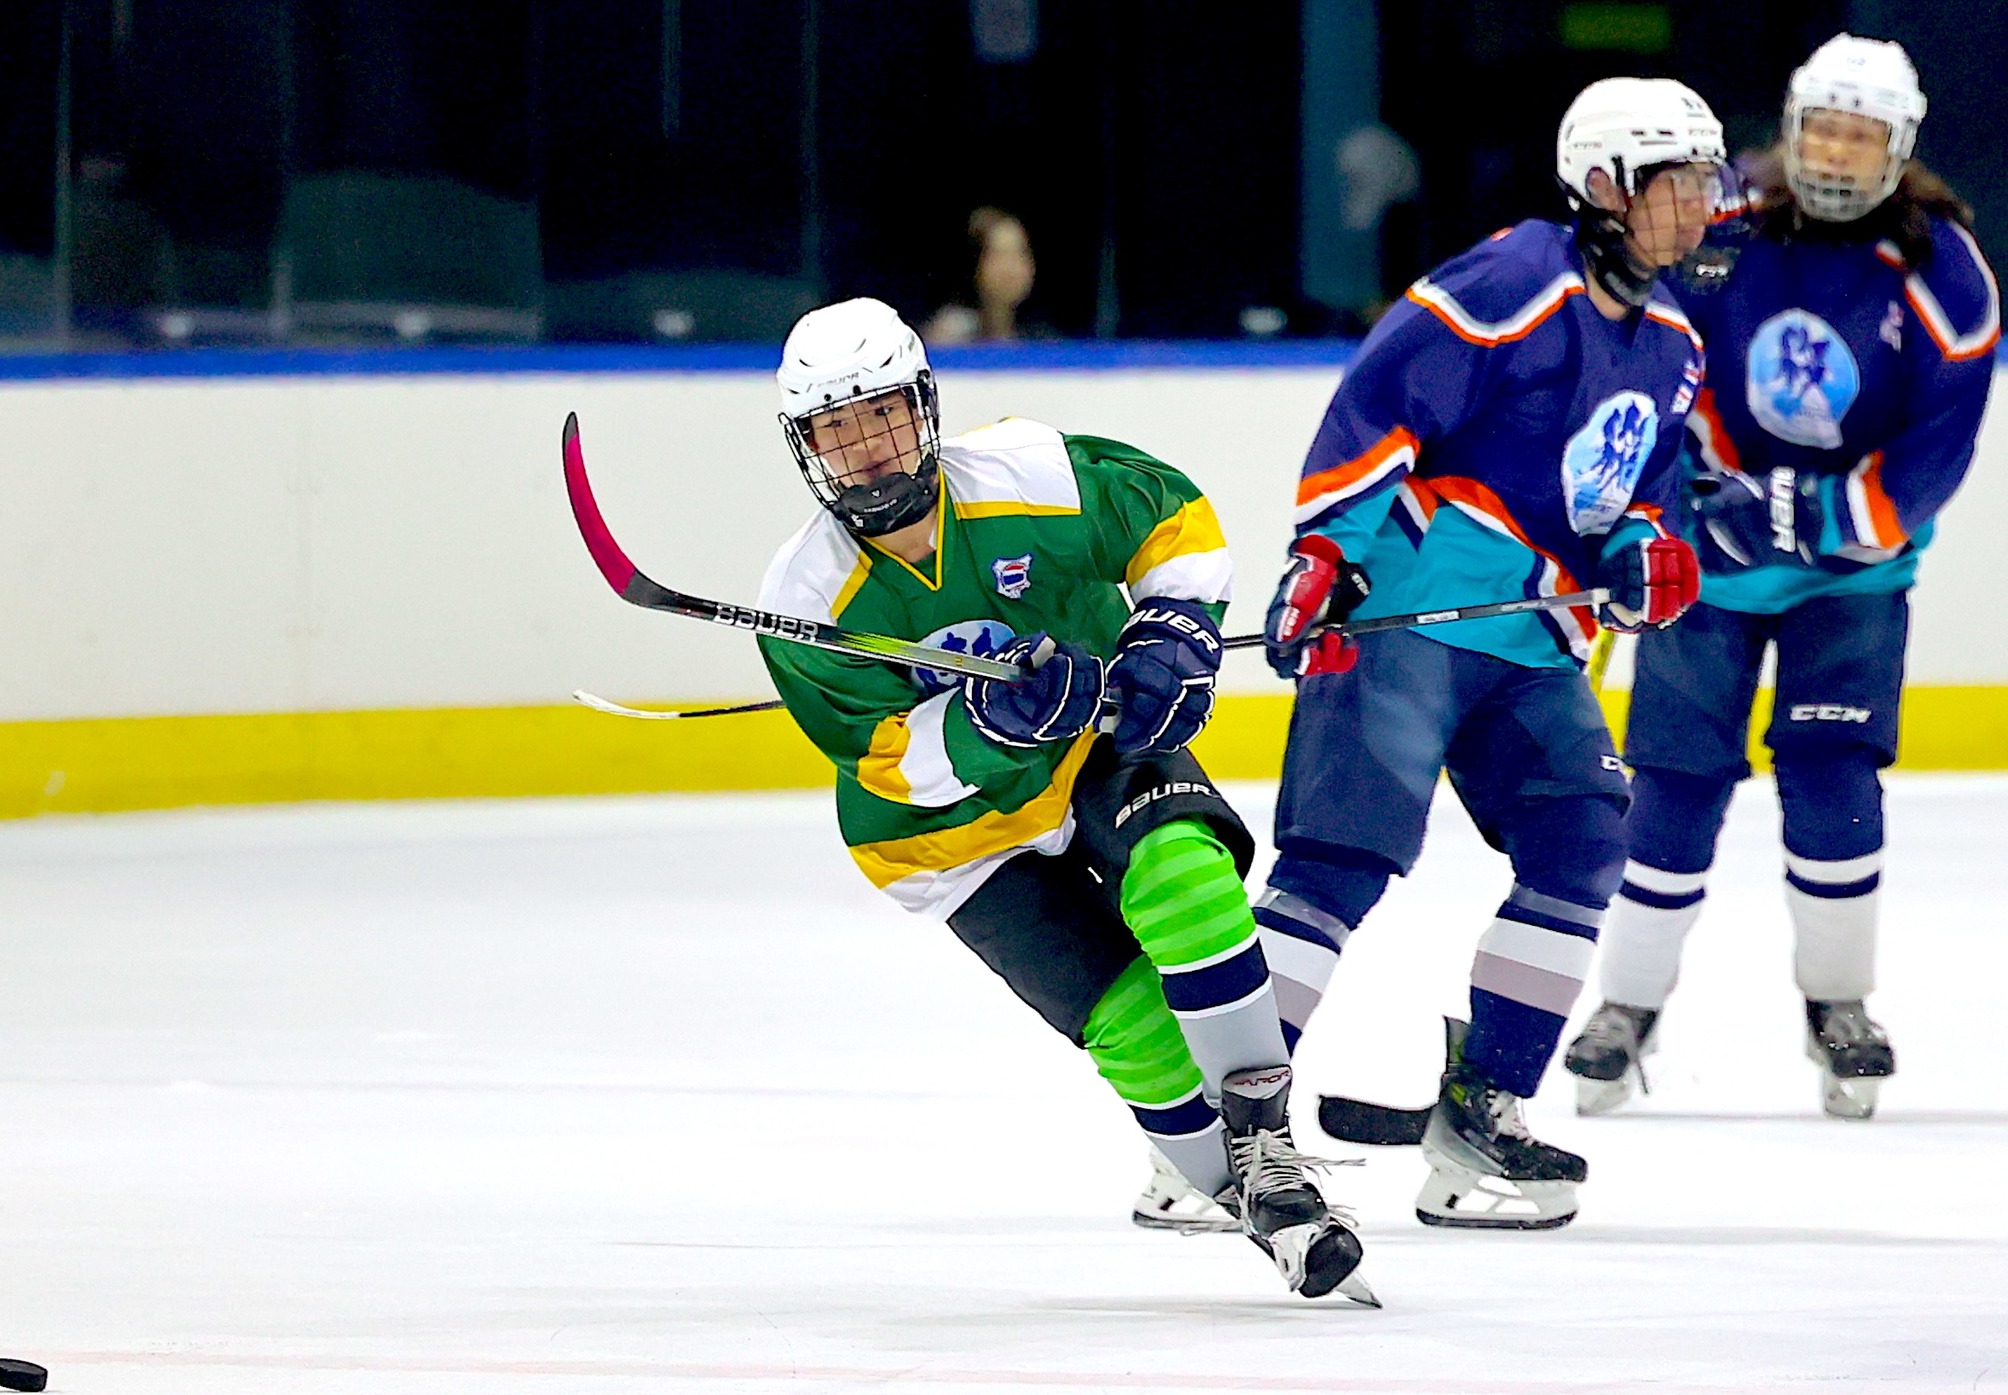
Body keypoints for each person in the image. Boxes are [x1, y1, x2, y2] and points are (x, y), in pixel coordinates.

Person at [755, 296, 1370, 1301]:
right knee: (1133, 1030)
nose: (864, 448)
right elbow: (887, 763)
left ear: (924, 406)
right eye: (835, 427)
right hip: (946, 837)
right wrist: (991, 724)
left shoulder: (1027, 475)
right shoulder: (804, 599)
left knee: (1183, 874)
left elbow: (1171, 515)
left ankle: (1268, 1148)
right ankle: (1266, 1211)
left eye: (880, 415)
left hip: (1095, 745)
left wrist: (1168, 628)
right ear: (805, 445)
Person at [1248, 78, 1729, 1230]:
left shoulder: (1672, 345)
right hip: (1404, 617)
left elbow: (1633, 499)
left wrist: (1650, 552)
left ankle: (1484, 1114)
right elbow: (1376, 408)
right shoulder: (1513, 279)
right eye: (1677, 185)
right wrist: (1323, 555)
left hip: (1531, 645)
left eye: (1708, 185)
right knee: (1338, 861)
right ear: (1604, 184)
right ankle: (1224, 1133)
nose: (1700, 210)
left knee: (1580, 839)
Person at [1565, 36, 1998, 1120]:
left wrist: (1808, 515)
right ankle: (1624, 1003)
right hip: (1707, 571)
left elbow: (1935, 452)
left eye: (1860, 137)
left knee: (1831, 777)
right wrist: (1692, 487)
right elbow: (1652, 346)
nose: (1836, 155)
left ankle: (1836, 1004)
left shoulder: (1942, 271)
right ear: (1790, 126)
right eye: (1822, 129)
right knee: (1671, 780)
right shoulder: (1720, 232)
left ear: (1897, 149)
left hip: (1848, 581)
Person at [922, 207, 1043, 344]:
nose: (1010, 269)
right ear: (975, 264)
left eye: (1020, 253)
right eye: (998, 255)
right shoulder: (950, 337)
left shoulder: (1042, 336)